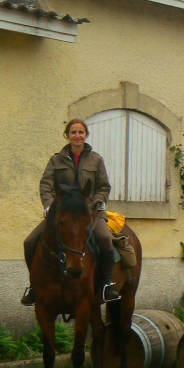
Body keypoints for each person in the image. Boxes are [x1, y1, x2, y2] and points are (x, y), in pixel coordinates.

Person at [21, 118, 120, 305]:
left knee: (105, 238)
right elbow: (46, 184)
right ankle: (34, 286)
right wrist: (49, 205)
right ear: (67, 135)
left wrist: (98, 201)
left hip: (88, 212)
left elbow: (103, 186)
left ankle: (108, 283)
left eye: (80, 132)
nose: (77, 136)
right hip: (62, 214)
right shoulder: (56, 160)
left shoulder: (96, 160)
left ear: (86, 135)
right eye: (73, 132)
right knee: (30, 242)